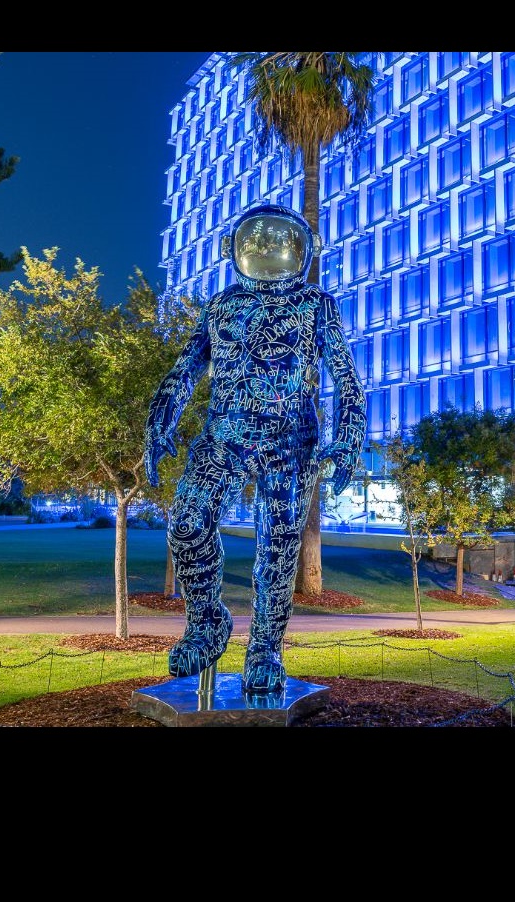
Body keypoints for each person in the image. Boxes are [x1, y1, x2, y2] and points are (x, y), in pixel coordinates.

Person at [144, 204, 366, 695]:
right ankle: (207, 622)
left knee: (279, 547)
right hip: (223, 434)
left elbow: (346, 376)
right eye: (256, 241)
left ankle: (265, 647)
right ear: (235, 250)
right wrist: (160, 420)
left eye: (281, 241)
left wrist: (348, 436)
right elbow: (186, 369)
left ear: (304, 251)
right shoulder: (220, 306)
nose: (268, 249)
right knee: (186, 521)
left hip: (291, 441)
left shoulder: (316, 305)